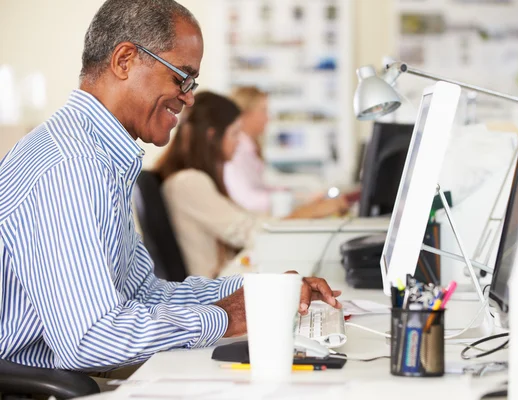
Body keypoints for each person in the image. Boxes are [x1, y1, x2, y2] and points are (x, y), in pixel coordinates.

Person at [0, 0, 340, 373]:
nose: (189, 96)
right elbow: (90, 340)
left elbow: (144, 294)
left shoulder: (95, 156)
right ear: (125, 60)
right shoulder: (69, 167)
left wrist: (264, 293)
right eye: (182, 77)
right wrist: (226, 317)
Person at [155, 91, 349, 278]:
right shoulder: (188, 182)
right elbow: (247, 231)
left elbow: (245, 220)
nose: (239, 142)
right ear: (212, 136)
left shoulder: (192, 179)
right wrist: (310, 212)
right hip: (211, 291)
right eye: (235, 133)